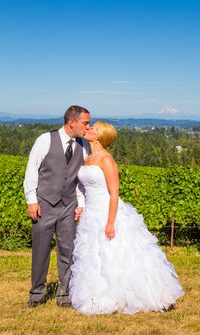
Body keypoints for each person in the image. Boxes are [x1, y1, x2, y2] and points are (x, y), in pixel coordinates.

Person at [69, 121, 184, 314]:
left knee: (116, 255)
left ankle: (135, 295)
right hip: (91, 213)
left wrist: (111, 222)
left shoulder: (106, 160)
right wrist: (81, 206)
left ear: (100, 136)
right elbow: (83, 186)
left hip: (107, 211)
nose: (88, 129)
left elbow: (114, 193)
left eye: (92, 128)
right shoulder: (87, 157)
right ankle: (99, 295)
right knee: (94, 255)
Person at [24, 105, 90, 308]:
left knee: (68, 251)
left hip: (69, 206)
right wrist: (32, 200)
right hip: (44, 204)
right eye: (85, 123)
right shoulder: (45, 140)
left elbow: (80, 179)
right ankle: (37, 295)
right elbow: (31, 170)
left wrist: (81, 204)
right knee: (40, 251)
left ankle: (64, 295)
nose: (88, 127)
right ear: (72, 122)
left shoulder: (84, 146)